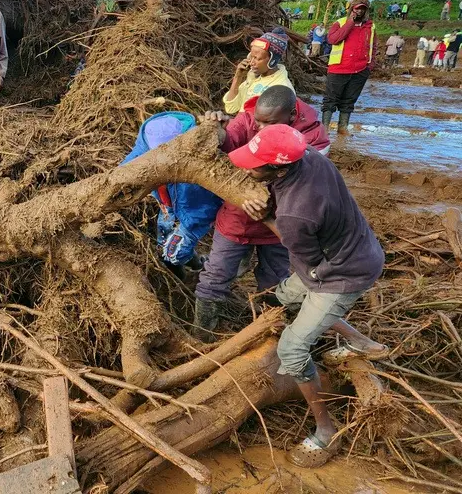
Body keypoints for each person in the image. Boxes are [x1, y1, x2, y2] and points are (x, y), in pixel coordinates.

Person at [229, 123, 388, 468]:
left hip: (342, 273)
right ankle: (362, 342)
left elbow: (306, 259)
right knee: (286, 297)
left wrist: (266, 214)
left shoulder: (294, 215)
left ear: (278, 167)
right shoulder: (312, 156)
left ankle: (325, 431)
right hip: (357, 247)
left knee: (292, 347)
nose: (246, 167)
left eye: (254, 164)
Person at [194, 85, 330, 341]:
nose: (259, 127)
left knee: (274, 283)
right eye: (258, 120)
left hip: (280, 227)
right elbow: (228, 141)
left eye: (268, 123)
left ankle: (266, 336)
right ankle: (202, 338)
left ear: (291, 116)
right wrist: (215, 130)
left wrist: (270, 205)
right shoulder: (248, 119)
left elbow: (309, 186)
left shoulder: (312, 138)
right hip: (237, 219)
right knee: (214, 278)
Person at [121, 112, 223, 279]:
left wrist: (189, 226)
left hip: (194, 213)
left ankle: (199, 267)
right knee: (163, 238)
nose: (157, 160)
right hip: (167, 205)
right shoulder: (148, 138)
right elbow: (129, 165)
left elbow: (207, 204)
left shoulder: (196, 157)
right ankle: (192, 262)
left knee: (173, 254)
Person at [321, 0, 375, 136]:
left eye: (362, 9)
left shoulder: (370, 26)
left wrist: (370, 66)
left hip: (360, 70)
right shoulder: (340, 23)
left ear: (366, 10)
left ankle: (342, 128)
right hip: (339, 68)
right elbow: (333, 39)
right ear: (351, 9)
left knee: (349, 101)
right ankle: (324, 129)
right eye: (357, 8)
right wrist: (350, 23)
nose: (359, 11)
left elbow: (373, 47)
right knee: (330, 100)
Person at [223, 28, 295, 115]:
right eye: (251, 56)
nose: (252, 62)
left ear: (273, 60)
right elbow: (230, 108)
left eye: (257, 58)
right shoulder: (253, 78)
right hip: (242, 125)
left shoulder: (281, 88)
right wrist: (238, 77)